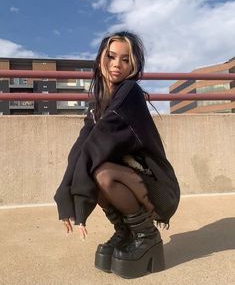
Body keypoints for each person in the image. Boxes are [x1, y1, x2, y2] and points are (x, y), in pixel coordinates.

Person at [54, 31, 180, 279]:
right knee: (94, 167)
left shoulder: (129, 93)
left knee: (101, 172)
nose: (116, 65)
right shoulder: (98, 104)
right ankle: (124, 231)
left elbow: (98, 143)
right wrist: (64, 195)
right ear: (101, 56)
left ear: (133, 65)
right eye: (111, 56)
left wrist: (80, 195)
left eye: (125, 59)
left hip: (158, 188)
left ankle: (146, 235)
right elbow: (80, 149)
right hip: (134, 180)